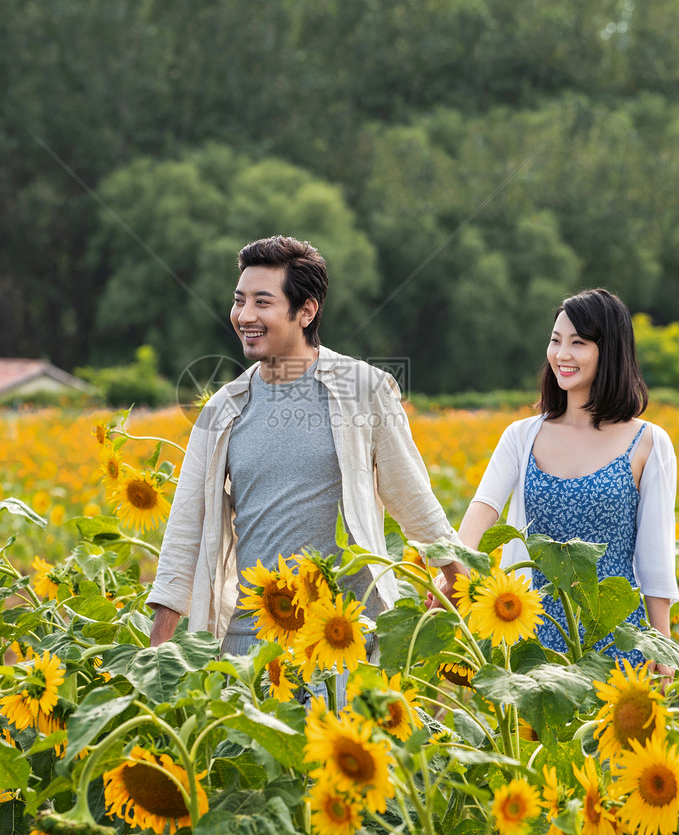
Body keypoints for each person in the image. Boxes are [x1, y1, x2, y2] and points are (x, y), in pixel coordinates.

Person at [147, 235, 467, 651]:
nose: (244, 315)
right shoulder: (222, 410)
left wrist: (458, 582)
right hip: (251, 646)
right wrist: (156, 651)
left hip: (347, 640)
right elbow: (184, 531)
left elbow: (413, 499)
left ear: (306, 311)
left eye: (262, 302)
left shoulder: (363, 390)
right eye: (239, 300)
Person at [457, 288, 677, 682]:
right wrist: (453, 567)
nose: (562, 354)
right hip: (531, 633)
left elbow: (656, 558)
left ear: (609, 351)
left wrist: (662, 647)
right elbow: (484, 507)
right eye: (555, 340)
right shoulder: (521, 435)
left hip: (617, 632)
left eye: (578, 343)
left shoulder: (648, 442)